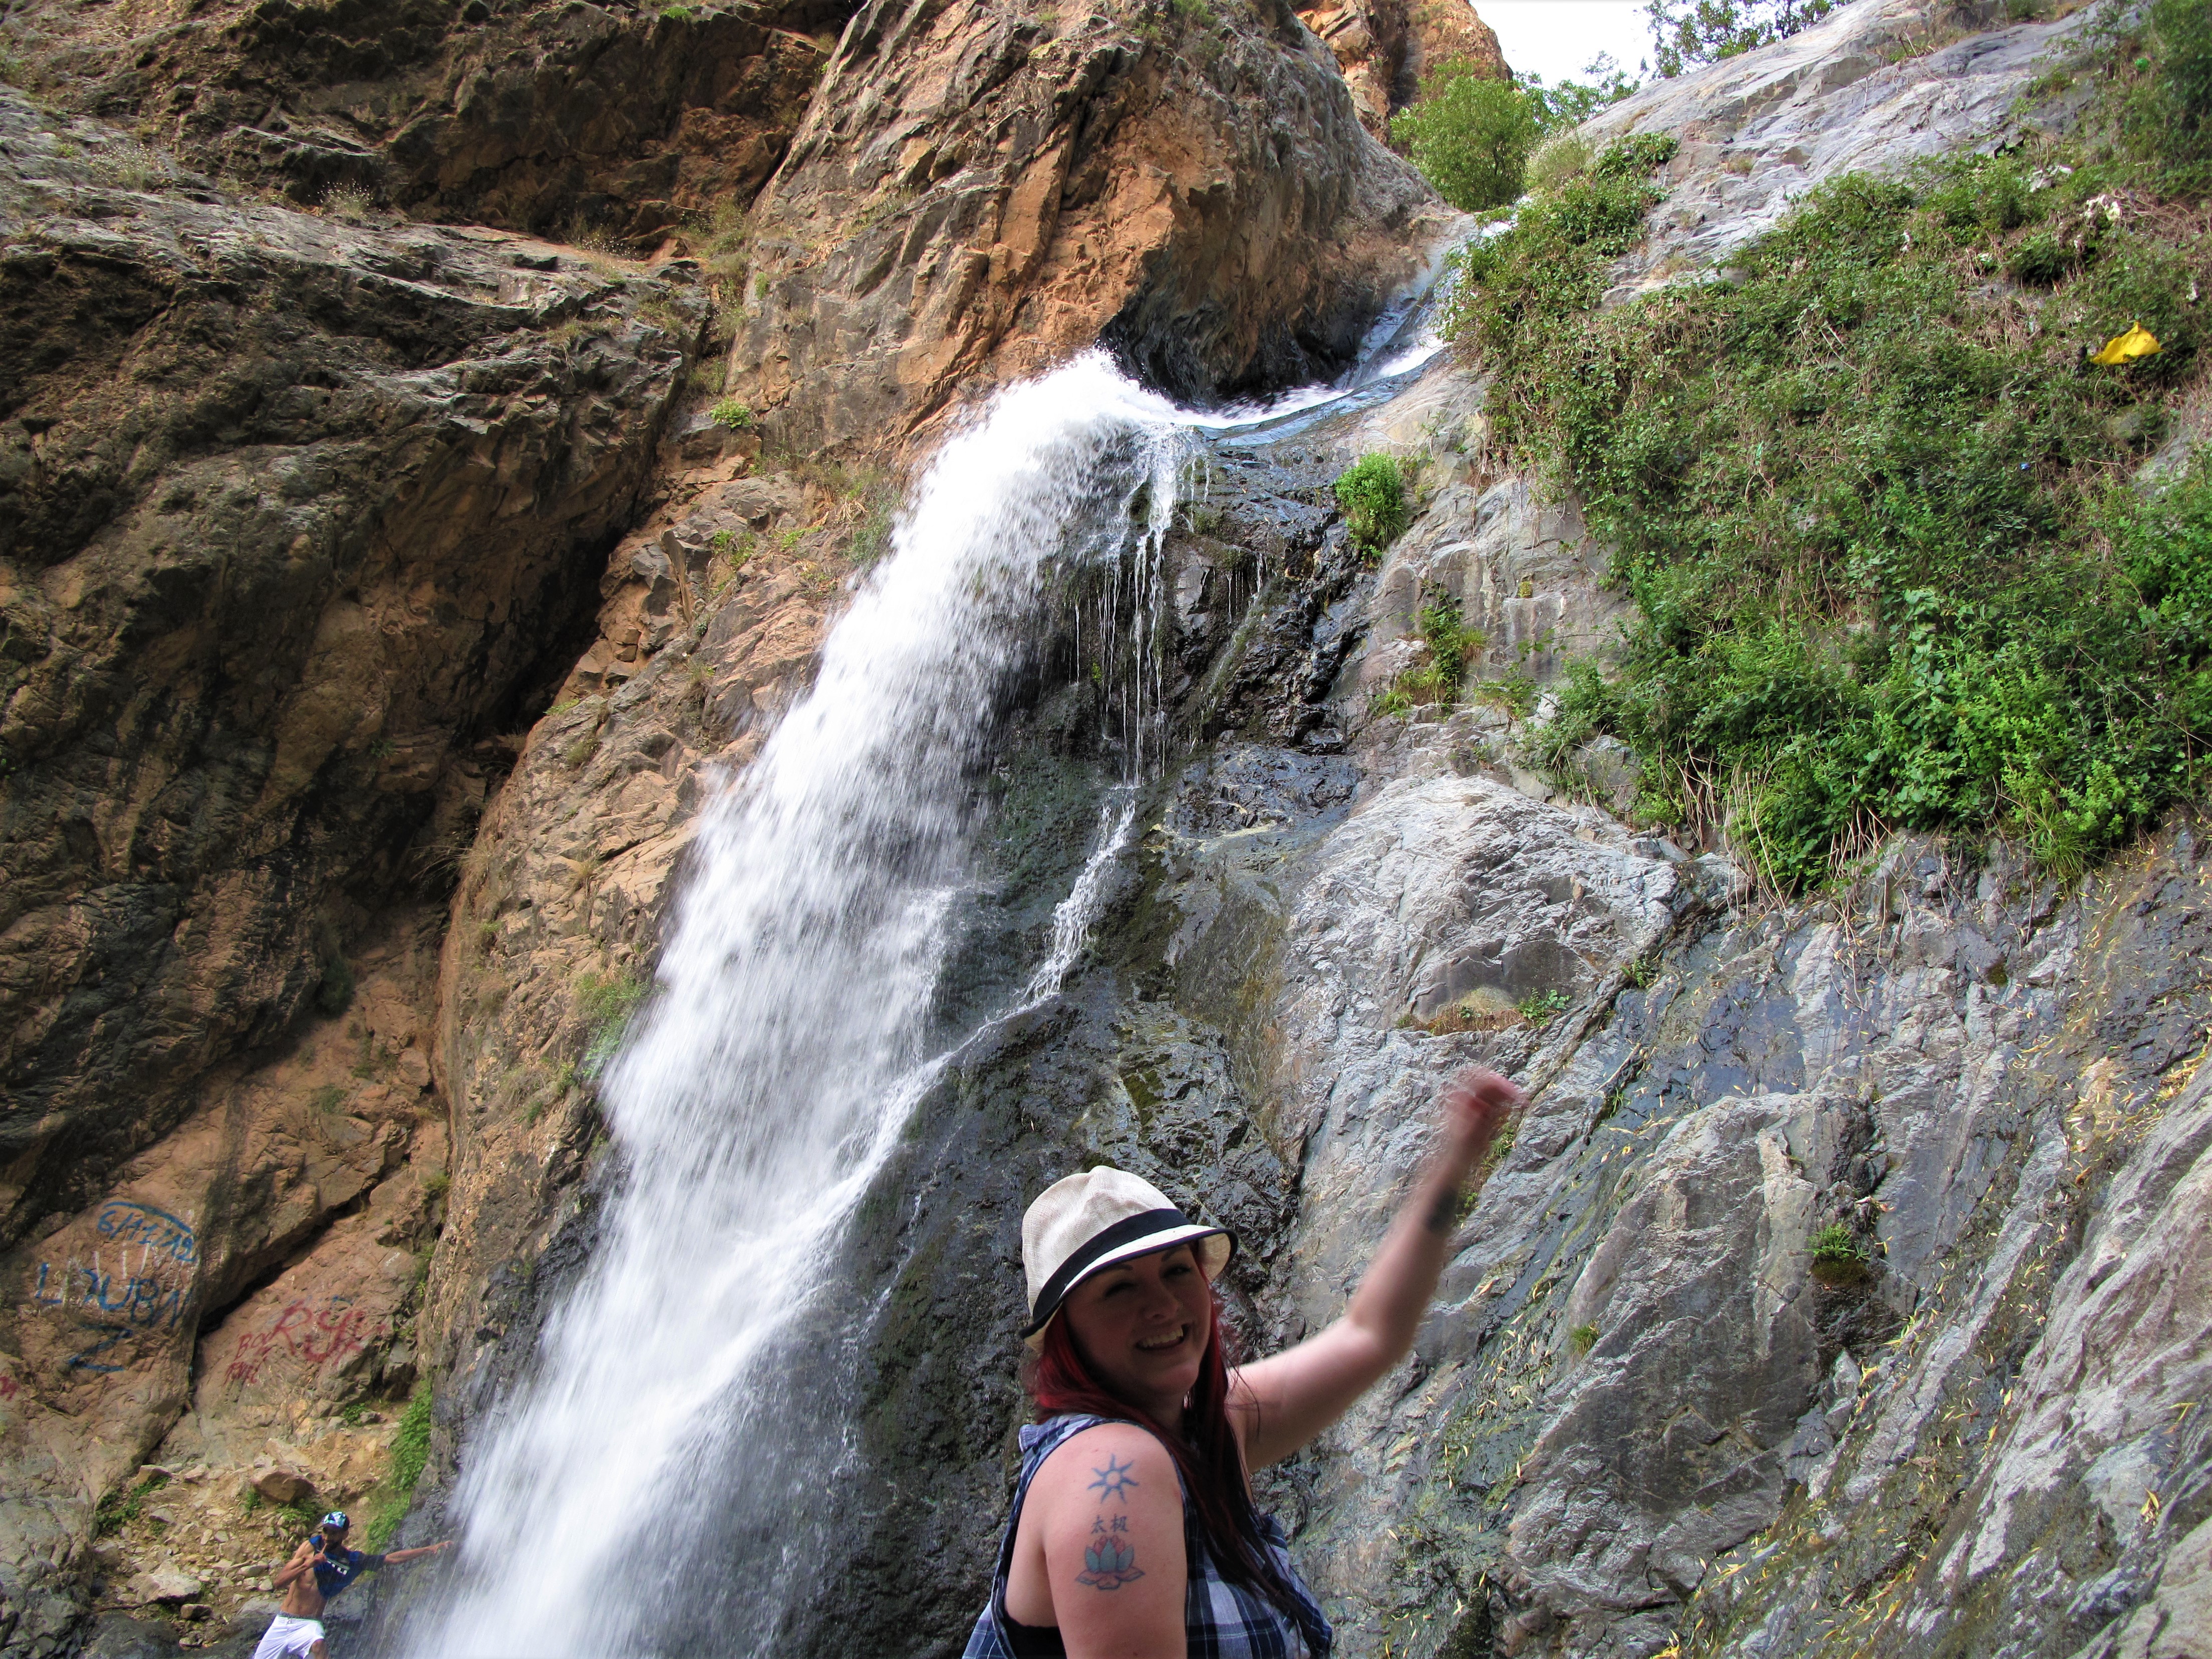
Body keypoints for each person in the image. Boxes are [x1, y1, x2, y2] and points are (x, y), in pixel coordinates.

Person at [965, 1065, 1523, 1658]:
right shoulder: (1113, 1469)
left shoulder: (1205, 1428)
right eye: (1120, 1288)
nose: (1163, 1305)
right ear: (1065, 1334)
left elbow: (1370, 1336)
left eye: (1177, 1271)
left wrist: (1454, 1161)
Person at [252, 1511, 451, 1659]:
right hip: (283, 1620)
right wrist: (309, 1565)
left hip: (309, 1623)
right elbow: (279, 1582)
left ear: (345, 1535)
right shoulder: (310, 1548)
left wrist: (429, 1549)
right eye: (326, 1531)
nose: (328, 1537)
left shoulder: (352, 1561)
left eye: (334, 1533)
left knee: (319, 1645)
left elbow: (391, 1558)